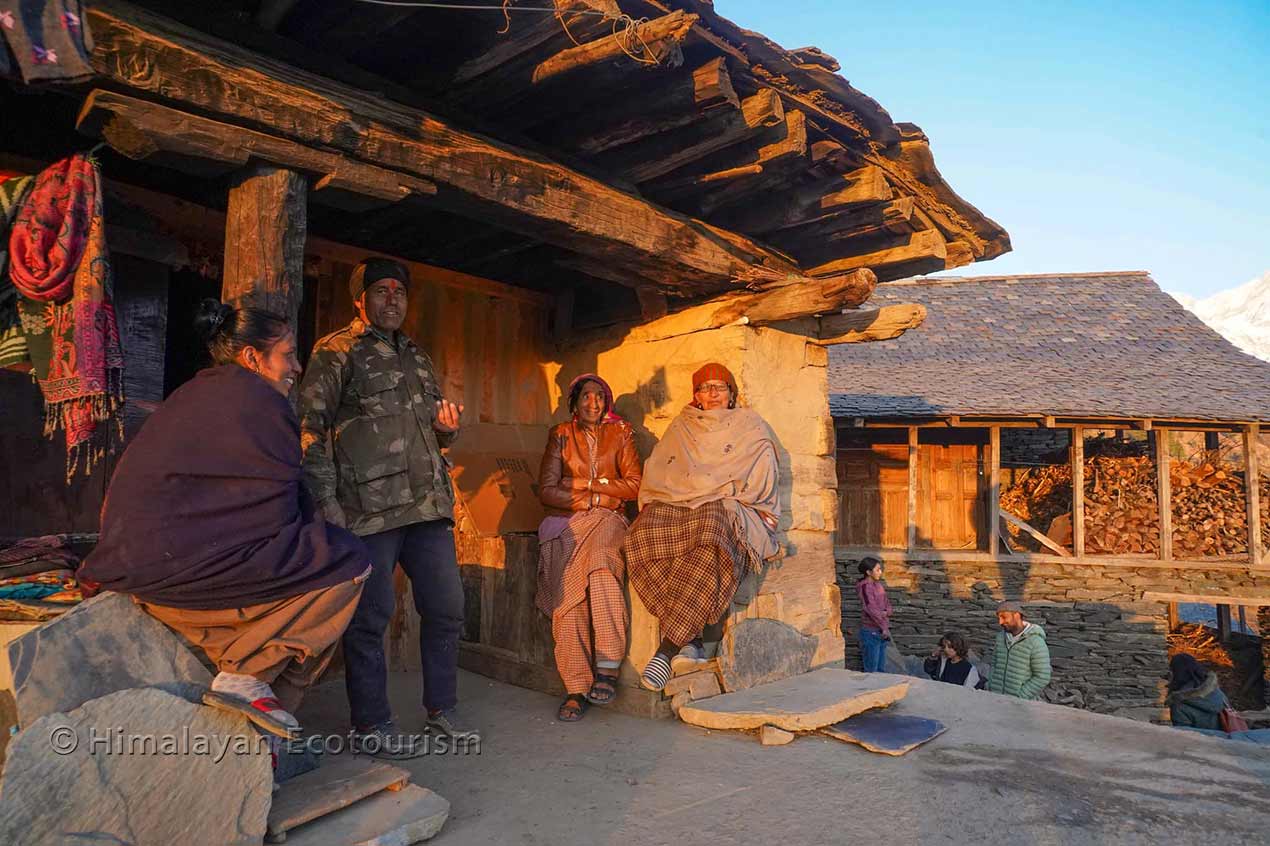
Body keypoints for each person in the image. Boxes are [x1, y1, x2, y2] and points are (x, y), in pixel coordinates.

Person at [80, 300, 371, 735]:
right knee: (347, 561)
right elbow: (274, 516)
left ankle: (253, 699)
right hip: (177, 571)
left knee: (312, 553)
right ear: (253, 357)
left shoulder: (194, 391)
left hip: (131, 563)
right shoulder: (260, 402)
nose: (296, 366)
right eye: (288, 353)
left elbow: (245, 499)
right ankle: (251, 682)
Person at [298, 257, 468, 756]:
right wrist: (326, 500)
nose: (392, 298)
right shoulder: (336, 351)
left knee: (446, 609)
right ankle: (372, 724)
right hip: (368, 508)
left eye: (399, 291)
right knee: (370, 617)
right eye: (381, 290)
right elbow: (310, 428)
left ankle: (443, 709)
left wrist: (448, 431)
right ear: (360, 299)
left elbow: (438, 434)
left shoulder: (417, 356)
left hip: (427, 505)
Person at [623, 363, 780, 692]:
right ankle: (690, 641)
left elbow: (763, 466)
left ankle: (667, 650)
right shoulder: (682, 426)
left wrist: (726, 489)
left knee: (710, 537)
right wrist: (678, 493)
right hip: (678, 501)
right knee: (639, 536)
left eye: (719, 387)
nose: (712, 394)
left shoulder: (749, 425)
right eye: (705, 388)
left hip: (724, 501)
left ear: (731, 393)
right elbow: (661, 467)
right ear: (696, 395)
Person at [536, 374, 642, 722]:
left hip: (609, 520)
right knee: (568, 596)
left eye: (599, 397)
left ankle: (608, 666)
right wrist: (596, 491)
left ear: (607, 401)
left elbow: (633, 486)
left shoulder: (621, 432)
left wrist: (586, 487)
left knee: (600, 569)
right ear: (575, 403)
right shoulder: (561, 435)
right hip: (568, 522)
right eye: (586, 397)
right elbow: (547, 490)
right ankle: (576, 685)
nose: (593, 403)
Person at [986, 600, 1052, 700]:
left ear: (1016, 615)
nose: (1000, 622)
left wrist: (1020, 696)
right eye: (999, 618)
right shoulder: (1000, 637)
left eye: (1004, 617)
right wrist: (990, 685)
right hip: (995, 698)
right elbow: (995, 663)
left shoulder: (1035, 642)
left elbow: (1042, 676)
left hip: (1020, 704)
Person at [1166, 653, 1229, 730]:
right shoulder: (1216, 691)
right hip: (1224, 739)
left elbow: (1183, 736)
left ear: (1176, 672)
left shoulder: (1178, 704)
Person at [856, 556, 891, 673]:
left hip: (882, 631)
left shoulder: (879, 586)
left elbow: (888, 605)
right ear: (868, 572)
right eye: (877, 570)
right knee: (872, 671)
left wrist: (886, 612)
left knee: (881, 669)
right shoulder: (865, 587)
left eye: (880, 569)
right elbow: (871, 609)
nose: (880, 572)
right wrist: (884, 626)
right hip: (871, 632)